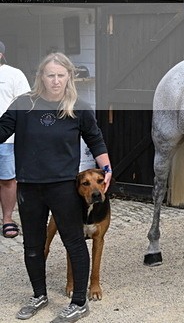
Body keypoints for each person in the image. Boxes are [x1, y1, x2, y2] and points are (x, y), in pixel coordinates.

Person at [0, 53, 111, 322]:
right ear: (41, 77)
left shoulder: (78, 107)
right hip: (29, 186)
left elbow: (95, 139)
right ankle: (39, 295)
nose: (56, 80)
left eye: (61, 75)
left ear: (69, 77)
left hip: (63, 186)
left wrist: (106, 168)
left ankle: (79, 302)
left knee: (74, 243)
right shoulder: (23, 104)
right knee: (33, 245)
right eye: (51, 75)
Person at [0, 41, 31, 240]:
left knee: (7, 179)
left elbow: (25, 105)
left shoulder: (14, 75)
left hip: (7, 138)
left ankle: (7, 219)